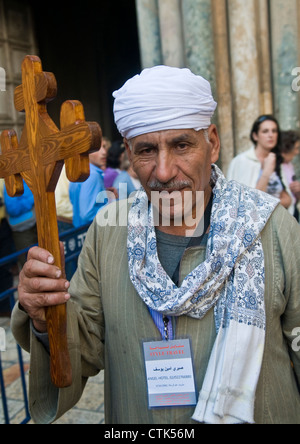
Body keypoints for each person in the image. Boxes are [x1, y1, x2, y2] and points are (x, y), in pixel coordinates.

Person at [11, 66, 300, 425]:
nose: (163, 172)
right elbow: (84, 345)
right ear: (130, 155)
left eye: (181, 145)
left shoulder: (270, 227)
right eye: (146, 150)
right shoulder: (108, 231)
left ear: (211, 142)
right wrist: (44, 316)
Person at [227, 115, 292, 209]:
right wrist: (266, 172)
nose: (271, 135)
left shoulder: (276, 159)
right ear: (255, 136)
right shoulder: (241, 161)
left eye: (274, 131)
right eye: (265, 131)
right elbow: (249, 202)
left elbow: (288, 200)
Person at [69, 145, 108, 228]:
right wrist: (113, 203)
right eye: (97, 148)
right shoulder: (92, 175)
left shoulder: (78, 173)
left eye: (104, 147)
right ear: (85, 152)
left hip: (80, 232)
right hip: (91, 232)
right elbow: (87, 215)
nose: (104, 152)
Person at [4, 180, 38, 267]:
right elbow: (13, 209)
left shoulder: (29, 179)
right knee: (29, 264)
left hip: (35, 225)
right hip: (22, 230)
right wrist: (32, 199)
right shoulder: (11, 181)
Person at [280, 130, 300, 220]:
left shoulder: (289, 165)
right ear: (286, 148)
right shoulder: (275, 166)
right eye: (296, 148)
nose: (297, 152)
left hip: (292, 210)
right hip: (283, 213)